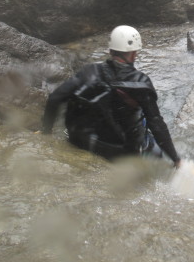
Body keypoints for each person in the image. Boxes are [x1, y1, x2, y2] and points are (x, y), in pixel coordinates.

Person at [41, 25, 181, 168]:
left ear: (110, 50)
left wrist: (46, 133)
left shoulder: (89, 71)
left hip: (81, 142)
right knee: (153, 146)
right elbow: (156, 124)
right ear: (134, 54)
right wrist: (175, 158)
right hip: (118, 153)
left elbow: (54, 99)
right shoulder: (141, 83)